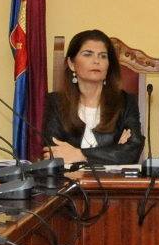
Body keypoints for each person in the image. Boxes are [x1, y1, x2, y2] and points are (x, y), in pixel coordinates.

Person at [42, 29, 145, 165]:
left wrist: (79, 154)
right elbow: (54, 154)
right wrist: (114, 151)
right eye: (88, 54)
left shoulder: (126, 102)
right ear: (72, 64)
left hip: (114, 178)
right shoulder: (55, 102)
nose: (96, 61)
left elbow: (131, 153)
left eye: (103, 56)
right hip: (68, 178)